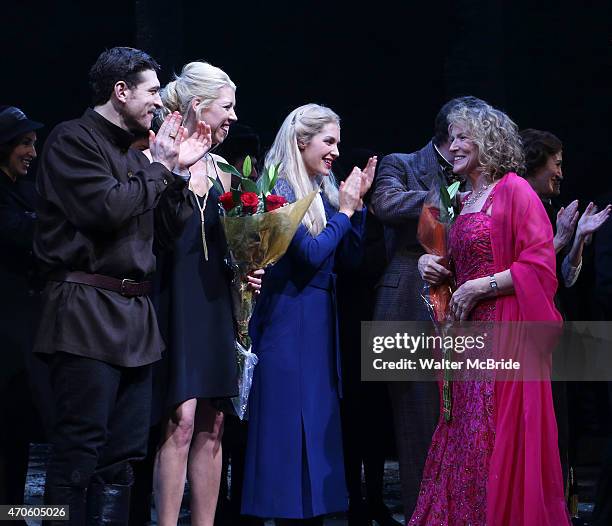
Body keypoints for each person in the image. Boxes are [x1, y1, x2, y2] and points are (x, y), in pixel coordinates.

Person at [34, 47, 211, 525]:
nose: (158, 102)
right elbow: (106, 210)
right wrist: (161, 168)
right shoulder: (72, 140)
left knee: (123, 459)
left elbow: (168, 236)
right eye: (152, 91)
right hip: (85, 313)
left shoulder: (138, 156)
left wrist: (182, 176)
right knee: (78, 454)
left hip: (135, 320)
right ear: (121, 91)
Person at [414, 101, 569, 525]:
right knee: (466, 436)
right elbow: (458, 264)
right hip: (467, 341)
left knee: (495, 436)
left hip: (505, 335)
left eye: (464, 136)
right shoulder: (463, 199)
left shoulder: (514, 190)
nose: (454, 144)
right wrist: (430, 266)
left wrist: (483, 285)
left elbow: (539, 264)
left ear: (489, 141)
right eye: (451, 137)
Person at [241, 103, 376, 525]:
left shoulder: (324, 187)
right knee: (287, 427)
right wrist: (347, 211)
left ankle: (311, 512)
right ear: (302, 141)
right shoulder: (278, 187)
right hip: (288, 318)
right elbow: (311, 254)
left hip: (318, 319)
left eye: (338, 141)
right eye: (329, 141)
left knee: (316, 423)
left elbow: (349, 259)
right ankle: (285, 512)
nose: (336, 150)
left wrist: (357, 207)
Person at [151, 60, 262, 526]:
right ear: (198, 106)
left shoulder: (223, 171)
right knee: (180, 420)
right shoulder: (158, 158)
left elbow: (234, 241)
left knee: (215, 422)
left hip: (216, 301)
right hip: (174, 300)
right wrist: (175, 167)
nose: (233, 116)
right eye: (227, 106)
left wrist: (250, 268)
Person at [370, 96, 482, 519]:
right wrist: (453, 193)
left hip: (467, 305)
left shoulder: (482, 173)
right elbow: (385, 203)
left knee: (468, 420)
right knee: (417, 425)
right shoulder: (402, 163)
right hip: (406, 304)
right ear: (451, 132)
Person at [0, 106, 44, 517]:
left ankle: (11, 512)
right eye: (24, 143)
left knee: (16, 432)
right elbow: (19, 232)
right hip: (5, 329)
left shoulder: (28, 191)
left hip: (23, 331)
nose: (32, 152)